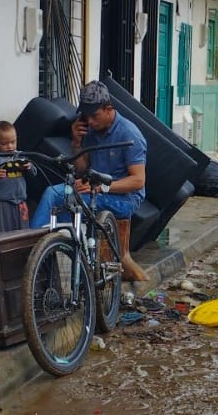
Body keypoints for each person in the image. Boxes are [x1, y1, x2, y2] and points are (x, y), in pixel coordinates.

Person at [31, 81, 149, 281]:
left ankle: (69, 261)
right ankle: (33, 252)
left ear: (109, 109)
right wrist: (76, 142)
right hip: (92, 187)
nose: (91, 122)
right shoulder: (91, 131)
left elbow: (138, 181)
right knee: (52, 193)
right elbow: (81, 169)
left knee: (73, 205)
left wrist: (101, 187)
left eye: (95, 116)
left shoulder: (129, 134)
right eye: (87, 116)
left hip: (123, 198)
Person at [0, 120, 37, 232]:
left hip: (21, 202)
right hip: (3, 203)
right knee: (4, 233)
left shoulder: (20, 156)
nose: (10, 146)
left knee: (23, 233)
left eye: (13, 142)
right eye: (4, 144)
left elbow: (34, 174)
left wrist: (29, 167)